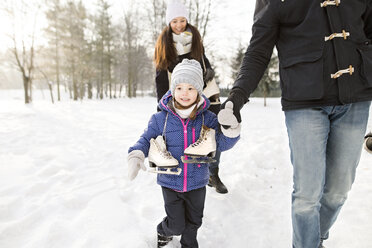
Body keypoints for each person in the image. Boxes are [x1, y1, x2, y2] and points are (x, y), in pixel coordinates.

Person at [218, 1, 372, 247]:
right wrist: (237, 96)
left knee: (338, 190)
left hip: (356, 96)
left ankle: (314, 238)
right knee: (307, 194)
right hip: (304, 101)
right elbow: (259, 50)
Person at [127, 59, 240, 248]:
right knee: (177, 223)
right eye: (179, 88)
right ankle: (164, 230)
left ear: (199, 90)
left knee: (194, 222)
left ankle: (189, 244)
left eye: (190, 88)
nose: (184, 93)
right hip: (170, 182)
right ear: (172, 90)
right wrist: (136, 154)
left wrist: (231, 131)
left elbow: (221, 142)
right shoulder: (160, 118)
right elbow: (146, 139)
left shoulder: (208, 118)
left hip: (197, 182)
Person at [154, 0, 229, 194]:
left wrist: (210, 71)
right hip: (183, 97)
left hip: (207, 93)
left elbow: (204, 60)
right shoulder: (164, 45)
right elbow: (161, 77)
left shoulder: (194, 38)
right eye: (174, 21)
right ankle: (192, 175)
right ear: (169, 23)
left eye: (182, 20)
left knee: (213, 133)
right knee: (188, 135)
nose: (179, 25)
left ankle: (214, 174)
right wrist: (162, 104)